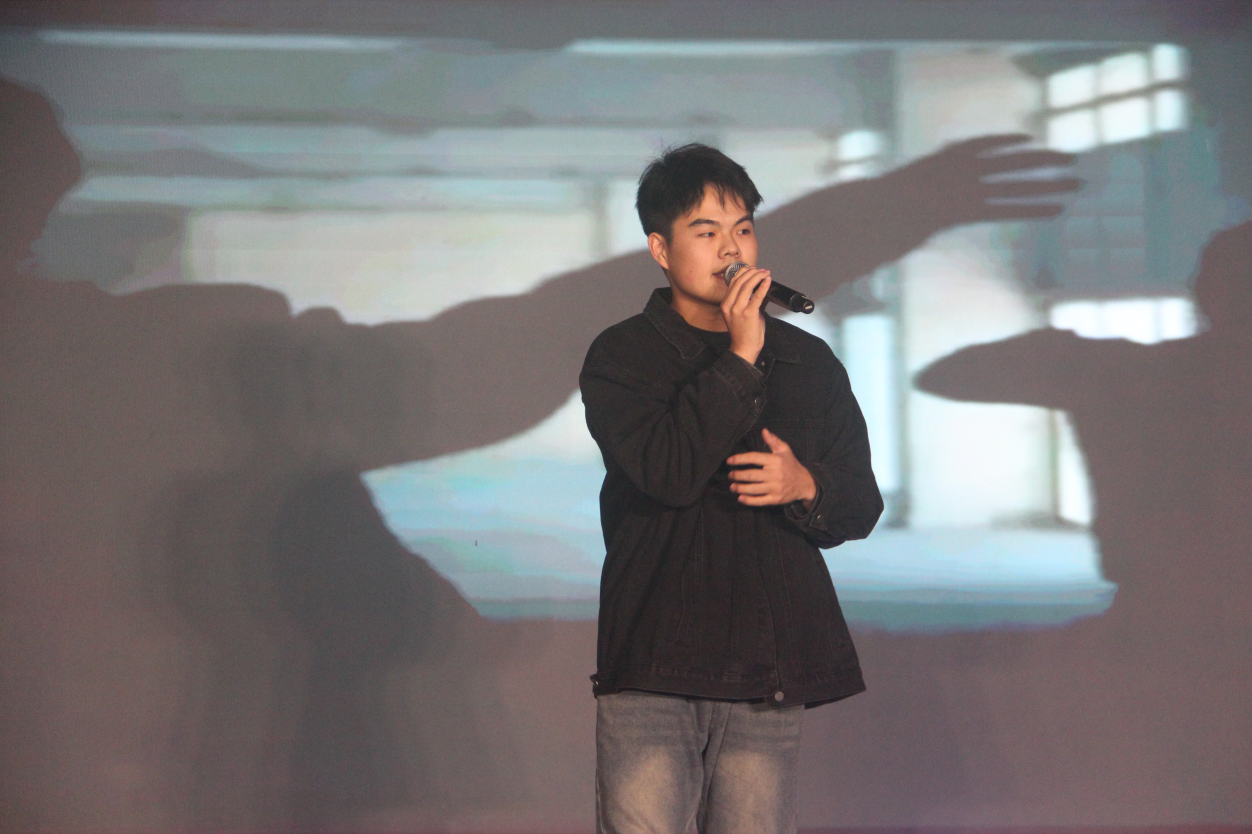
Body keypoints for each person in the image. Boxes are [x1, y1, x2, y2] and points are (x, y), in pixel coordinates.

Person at [579, 144, 884, 834]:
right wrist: (742, 356)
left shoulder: (807, 360)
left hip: (766, 665)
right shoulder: (622, 355)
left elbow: (860, 504)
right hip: (655, 657)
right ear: (660, 249)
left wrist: (806, 484)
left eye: (743, 228)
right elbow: (667, 472)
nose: (731, 248)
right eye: (706, 231)